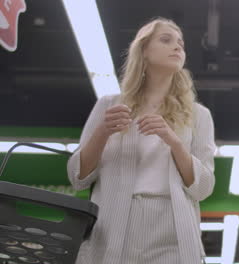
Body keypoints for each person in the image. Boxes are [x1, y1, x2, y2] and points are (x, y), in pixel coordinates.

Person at [67, 17, 216, 264]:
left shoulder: (199, 115)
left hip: (172, 227)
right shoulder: (109, 105)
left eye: (181, 43)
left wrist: (174, 142)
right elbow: (77, 177)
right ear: (144, 51)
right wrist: (102, 132)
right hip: (112, 225)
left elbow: (203, 188)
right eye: (166, 40)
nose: (178, 47)